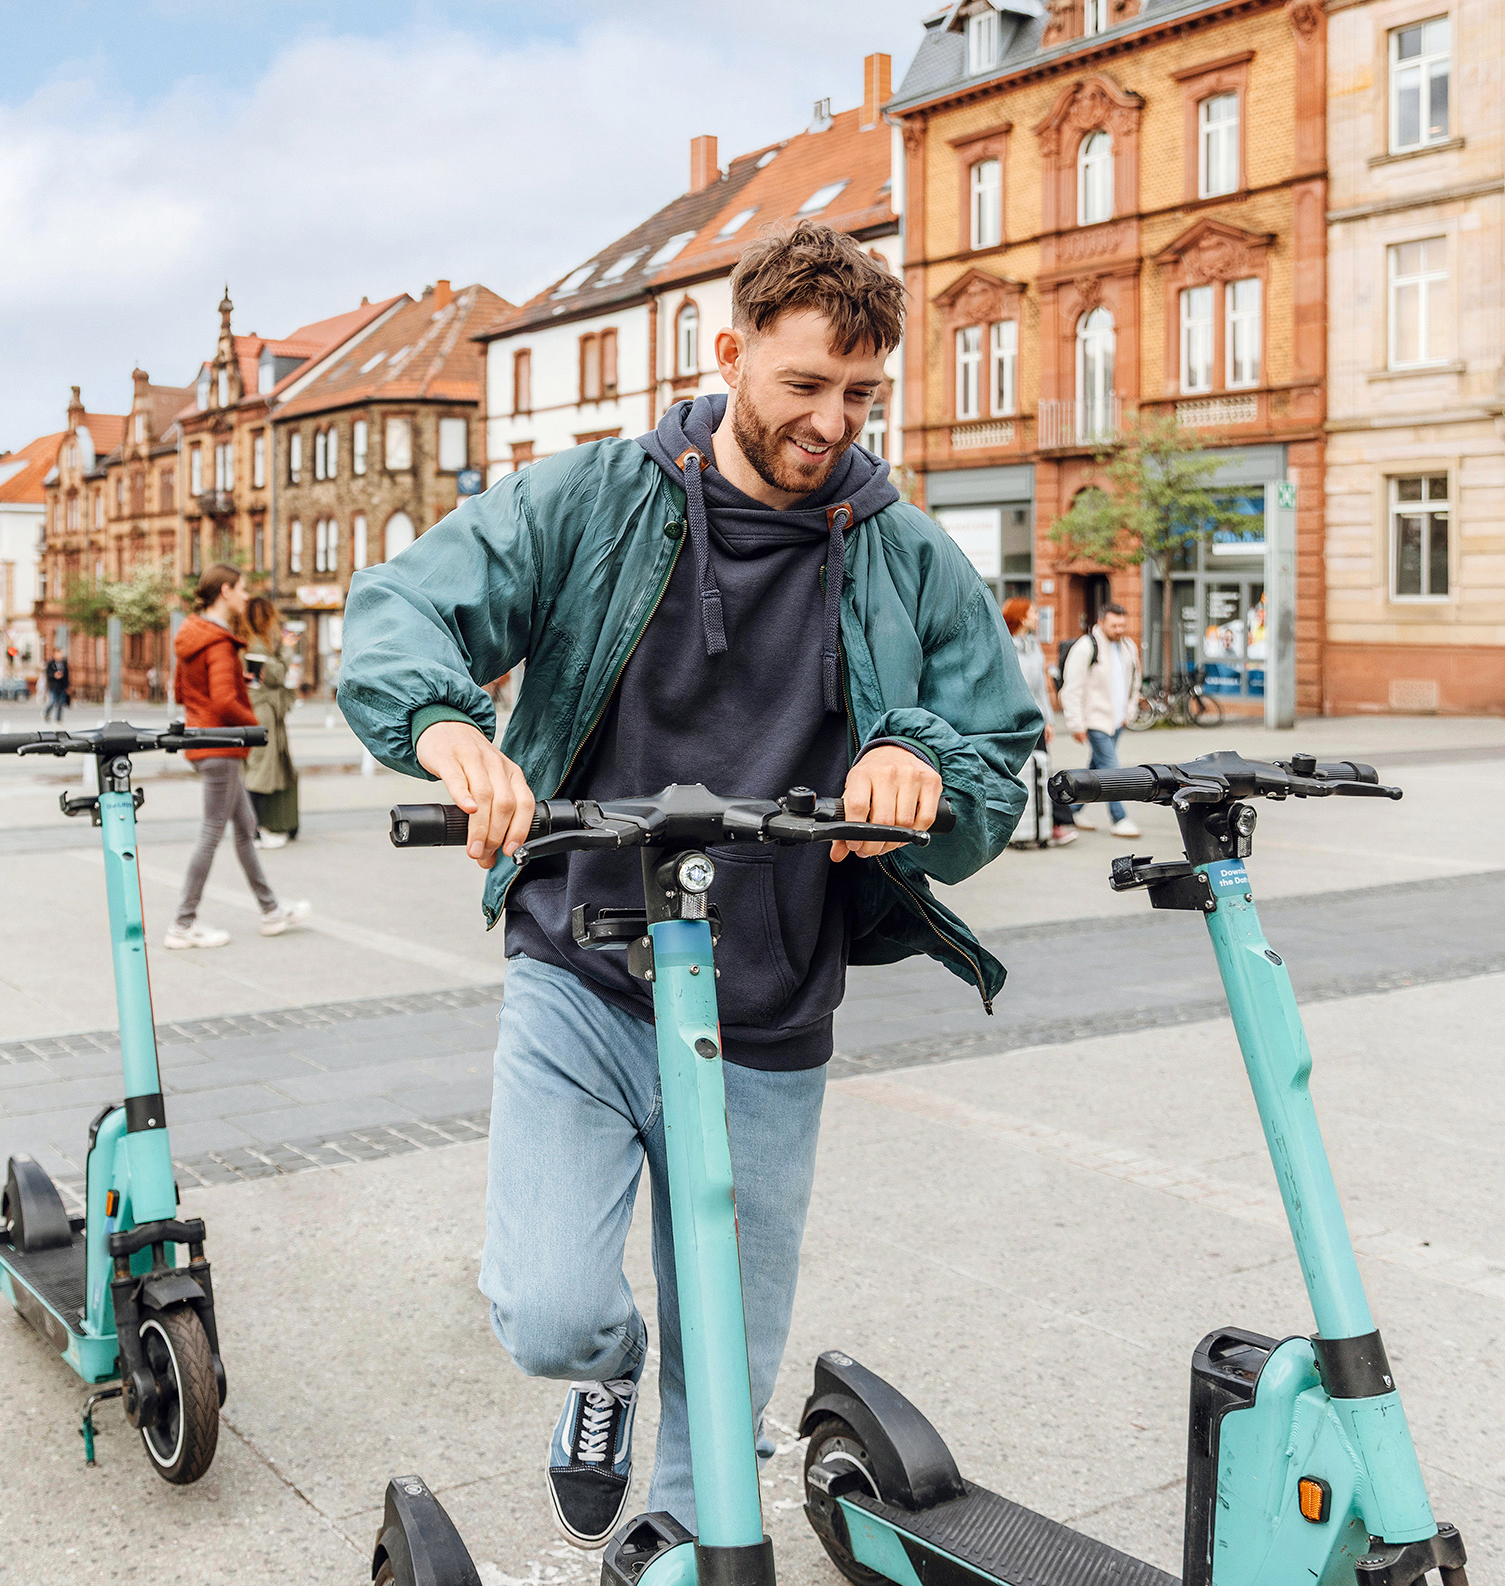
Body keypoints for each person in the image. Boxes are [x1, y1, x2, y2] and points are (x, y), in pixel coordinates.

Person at [338, 221, 1037, 1548]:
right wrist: (440, 726)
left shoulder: (903, 550)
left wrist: (922, 763)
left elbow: (998, 746)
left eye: (861, 394)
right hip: (582, 969)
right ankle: (603, 1369)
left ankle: (671, 1550)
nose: (832, 421)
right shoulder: (594, 498)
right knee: (546, 1310)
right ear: (728, 354)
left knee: (724, 1387)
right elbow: (400, 605)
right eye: (804, 384)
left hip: (768, 1004)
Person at [166, 567, 309, 947]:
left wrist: (233, 679)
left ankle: (271, 910)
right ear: (225, 591)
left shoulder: (191, 635)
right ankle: (182, 924)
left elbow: (182, 691)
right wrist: (254, 727)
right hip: (221, 745)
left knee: (245, 829)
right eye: (242, 590)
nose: (246, 597)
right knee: (212, 832)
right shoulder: (218, 642)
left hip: (202, 738)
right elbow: (224, 702)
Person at [1057, 601, 1142, 839]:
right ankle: (1119, 818)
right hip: (1095, 720)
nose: (1119, 630)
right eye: (1114, 625)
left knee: (1096, 769)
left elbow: (1134, 681)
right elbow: (1071, 687)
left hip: (1117, 720)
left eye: (1122, 625)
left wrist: (1129, 711)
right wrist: (1076, 723)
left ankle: (1071, 810)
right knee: (1111, 769)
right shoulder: (1086, 646)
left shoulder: (1128, 646)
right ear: (1101, 622)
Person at [1002, 597, 1074, 847]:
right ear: (1021, 617)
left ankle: (1052, 824)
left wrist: (1048, 720)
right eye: (1033, 612)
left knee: (1043, 770)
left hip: (1035, 721)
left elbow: (1040, 689)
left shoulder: (1034, 646)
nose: (1037, 617)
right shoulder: (1004, 646)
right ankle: (1015, 828)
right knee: (1014, 774)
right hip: (1013, 723)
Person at [240, 595, 300, 846]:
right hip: (262, 712)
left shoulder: (250, 642)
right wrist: (286, 648)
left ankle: (262, 826)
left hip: (262, 710)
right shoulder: (254, 645)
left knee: (261, 768)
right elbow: (275, 675)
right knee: (260, 770)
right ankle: (253, 830)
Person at [43, 651, 71, 723]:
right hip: (53, 686)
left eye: (61, 655)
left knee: (61, 702)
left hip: (62, 686)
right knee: (52, 701)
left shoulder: (64, 664)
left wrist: (67, 687)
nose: (60, 656)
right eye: (58, 654)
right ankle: (47, 713)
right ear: (55, 655)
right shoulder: (50, 664)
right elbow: (48, 674)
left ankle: (58, 718)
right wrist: (54, 675)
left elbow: (67, 676)